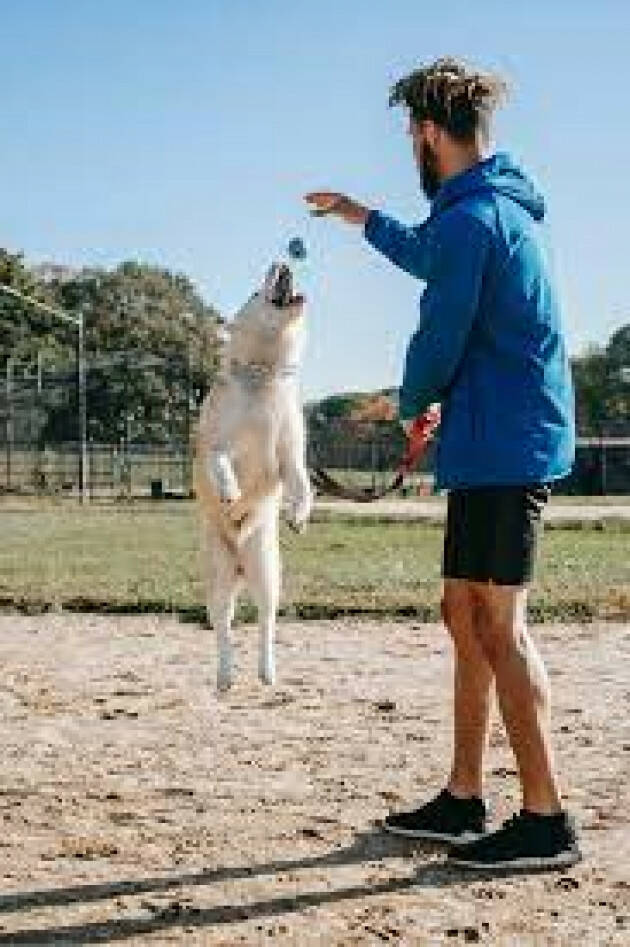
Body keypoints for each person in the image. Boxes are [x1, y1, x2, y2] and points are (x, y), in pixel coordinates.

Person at [305, 57, 580, 872]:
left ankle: (547, 819)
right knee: (462, 613)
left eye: (411, 138)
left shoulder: (476, 219)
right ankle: (465, 797)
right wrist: (366, 218)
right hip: (489, 436)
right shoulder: (483, 209)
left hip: (506, 443)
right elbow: (433, 257)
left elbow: (438, 334)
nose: (411, 150)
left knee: (499, 624)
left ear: (427, 133)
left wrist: (410, 403)